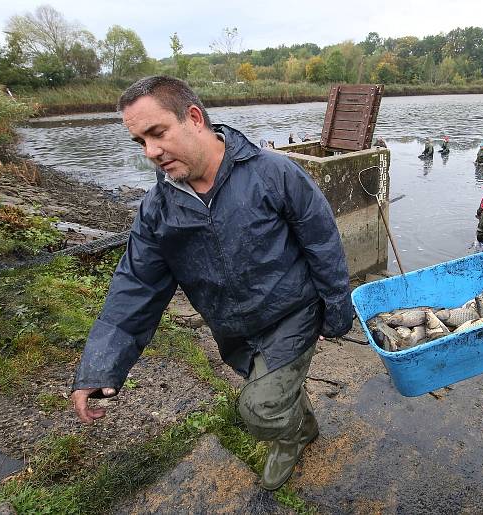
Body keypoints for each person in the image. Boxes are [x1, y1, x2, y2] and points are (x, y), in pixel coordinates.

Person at [70, 76, 353, 492]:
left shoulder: (273, 174)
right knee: (269, 390)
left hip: (292, 314)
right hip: (232, 329)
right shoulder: (157, 210)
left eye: (157, 133)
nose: (151, 152)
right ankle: (298, 419)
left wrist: (336, 314)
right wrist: (100, 366)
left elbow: (322, 243)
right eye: (139, 142)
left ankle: (291, 437)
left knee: (259, 410)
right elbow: (135, 288)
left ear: (194, 118)